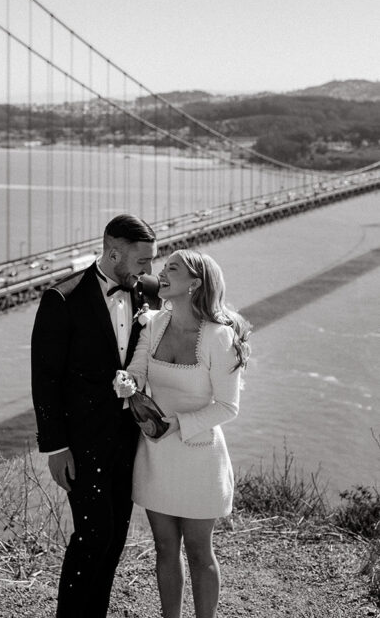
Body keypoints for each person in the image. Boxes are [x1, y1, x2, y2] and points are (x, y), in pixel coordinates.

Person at [31, 214, 161, 618]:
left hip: (129, 438)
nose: (149, 271)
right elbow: (45, 379)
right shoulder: (63, 299)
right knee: (93, 534)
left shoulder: (149, 293)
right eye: (142, 262)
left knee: (116, 536)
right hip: (82, 443)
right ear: (113, 253)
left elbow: (195, 307)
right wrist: (56, 448)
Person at [116, 249, 251, 618]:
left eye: (172, 267)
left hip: (199, 456)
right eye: (163, 266)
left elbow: (227, 406)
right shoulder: (155, 323)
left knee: (198, 551)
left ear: (194, 283)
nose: (161, 272)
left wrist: (176, 423)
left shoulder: (218, 337)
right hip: (156, 455)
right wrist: (128, 381)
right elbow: (139, 369)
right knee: (163, 547)